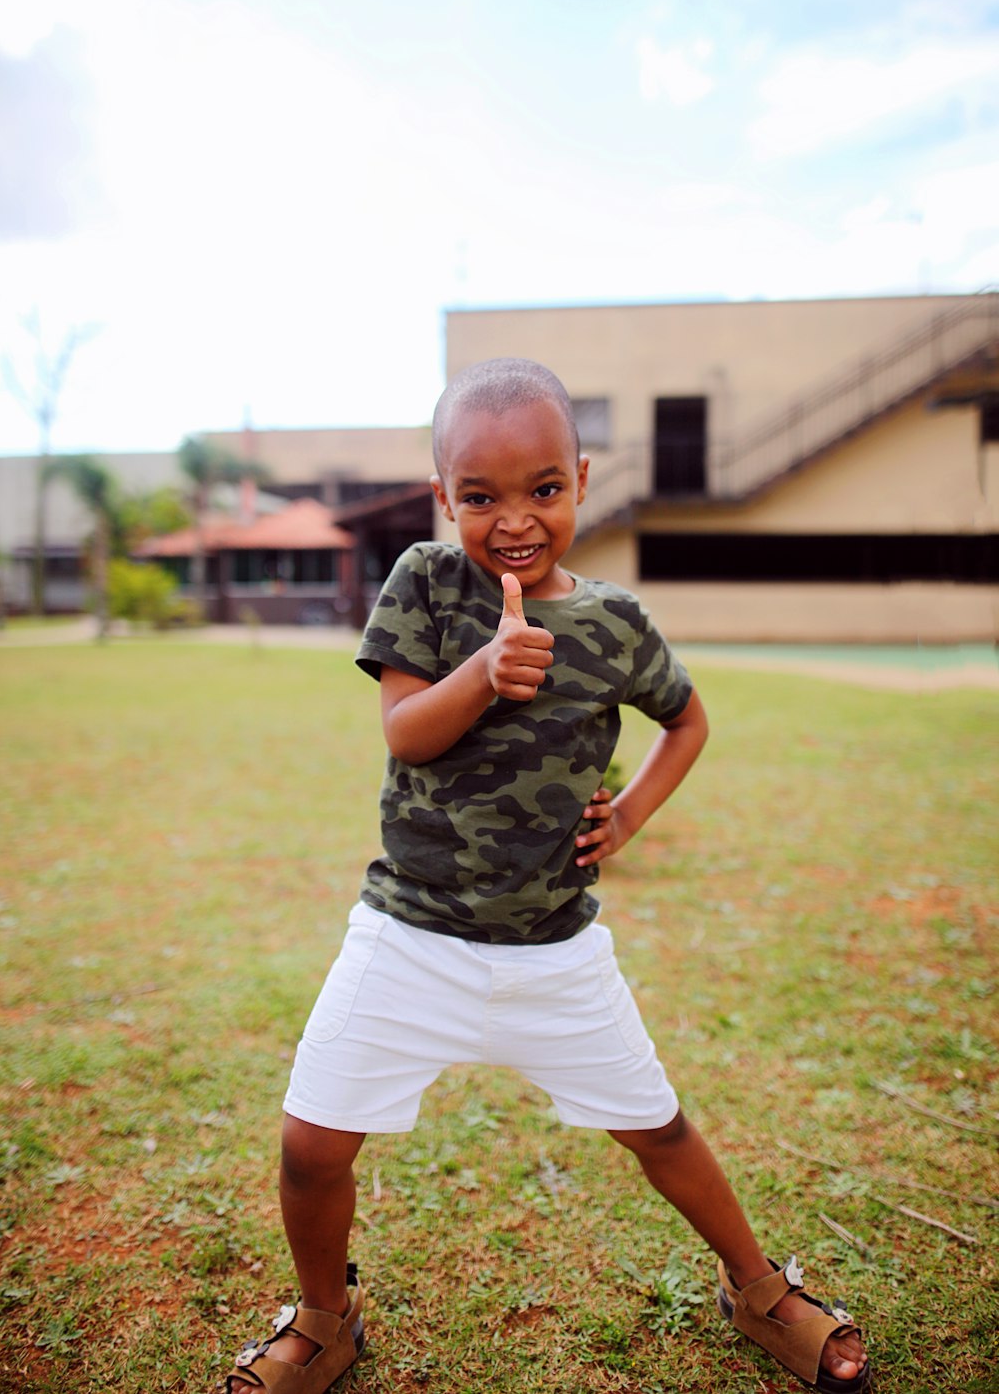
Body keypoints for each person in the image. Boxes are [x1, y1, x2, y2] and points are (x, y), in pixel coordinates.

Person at [225, 359, 871, 1394]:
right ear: (445, 497)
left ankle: (756, 1290)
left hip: (557, 953)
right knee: (310, 1145)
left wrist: (632, 815)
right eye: (478, 496)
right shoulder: (426, 589)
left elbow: (688, 720)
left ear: (578, 478)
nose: (512, 519)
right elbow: (405, 733)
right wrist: (482, 670)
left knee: (658, 1130)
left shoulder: (614, 622)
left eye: (541, 489)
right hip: (411, 936)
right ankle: (325, 1319)